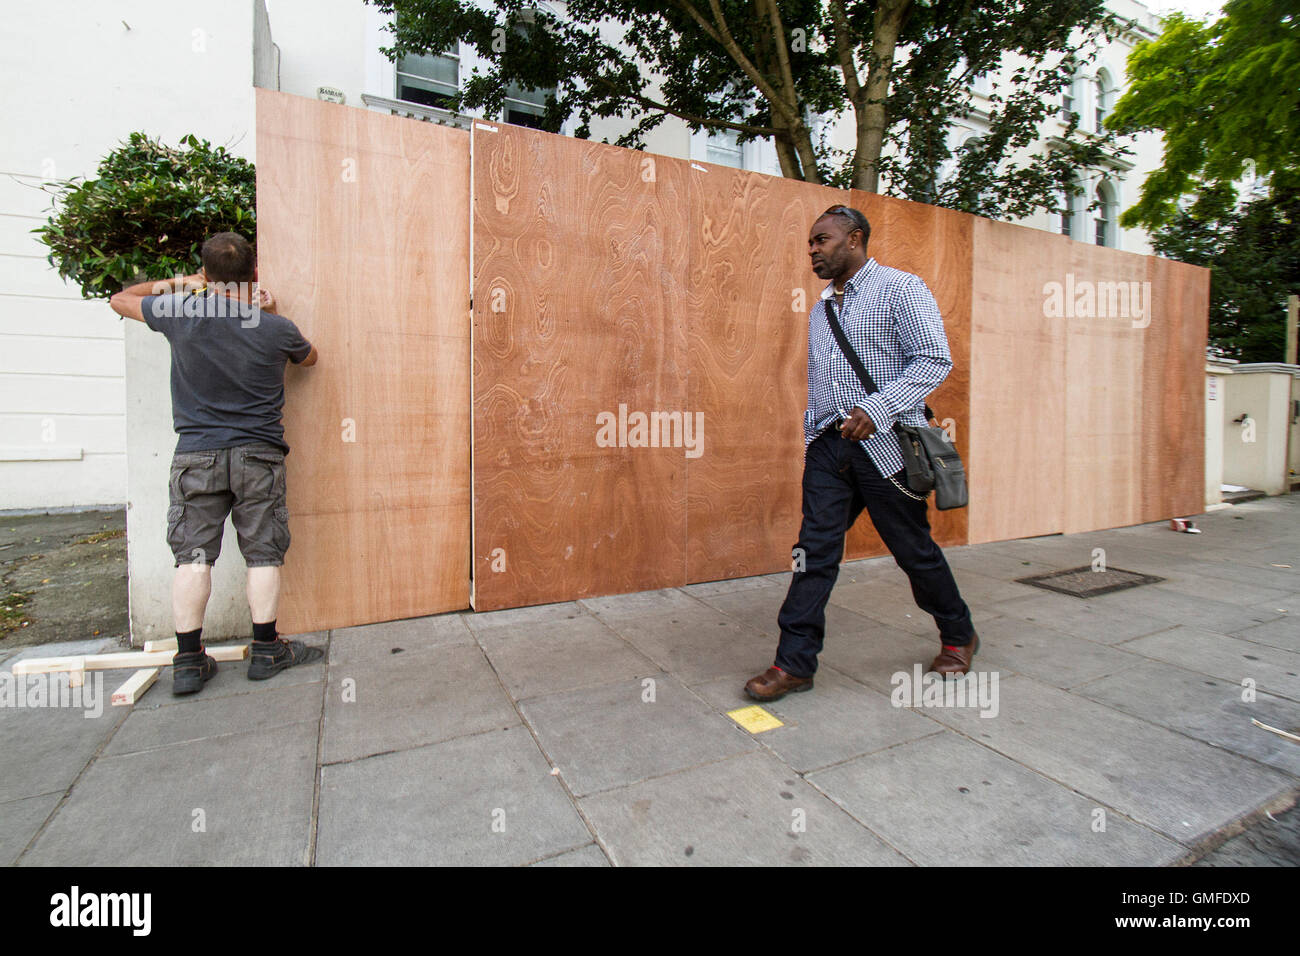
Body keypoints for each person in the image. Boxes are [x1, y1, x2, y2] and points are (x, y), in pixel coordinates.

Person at [744, 205, 978, 702]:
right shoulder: (820, 308)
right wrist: (813, 436)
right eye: (810, 242)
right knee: (813, 553)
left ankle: (959, 634)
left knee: (913, 552)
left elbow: (935, 359)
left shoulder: (901, 289)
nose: (813, 250)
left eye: (821, 240)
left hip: (888, 449)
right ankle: (794, 663)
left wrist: (877, 407)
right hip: (830, 450)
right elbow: (821, 382)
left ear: (854, 239)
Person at [109, 232, 323, 694]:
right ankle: (267, 650)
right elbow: (309, 358)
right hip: (258, 456)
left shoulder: (180, 313)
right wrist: (266, 313)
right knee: (263, 553)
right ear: (254, 274)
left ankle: (188, 661)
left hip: (196, 454)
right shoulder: (274, 326)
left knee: (193, 557)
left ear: (206, 275)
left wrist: (185, 284)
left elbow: (120, 299)